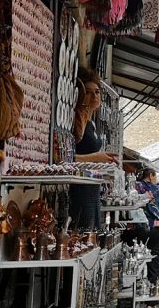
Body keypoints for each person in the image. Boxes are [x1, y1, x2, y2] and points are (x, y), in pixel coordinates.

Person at [68, 68, 118, 229]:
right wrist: (96, 158)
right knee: (81, 230)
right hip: (78, 187)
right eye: (89, 92)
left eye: (97, 92)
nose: (94, 96)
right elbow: (65, 158)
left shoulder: (92, 124)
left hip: (92, 187)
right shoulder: (74, 121)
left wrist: (102, 161)